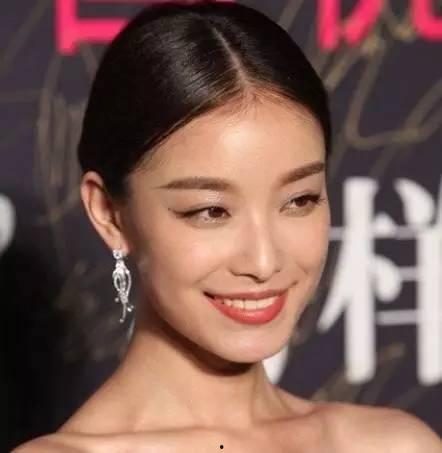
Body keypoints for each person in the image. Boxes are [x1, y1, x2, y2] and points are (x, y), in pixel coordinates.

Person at [13, 1, 441, 451]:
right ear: (108, 213)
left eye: (299, 200)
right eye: (211, 211)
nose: (264, 261)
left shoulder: (393, 445)